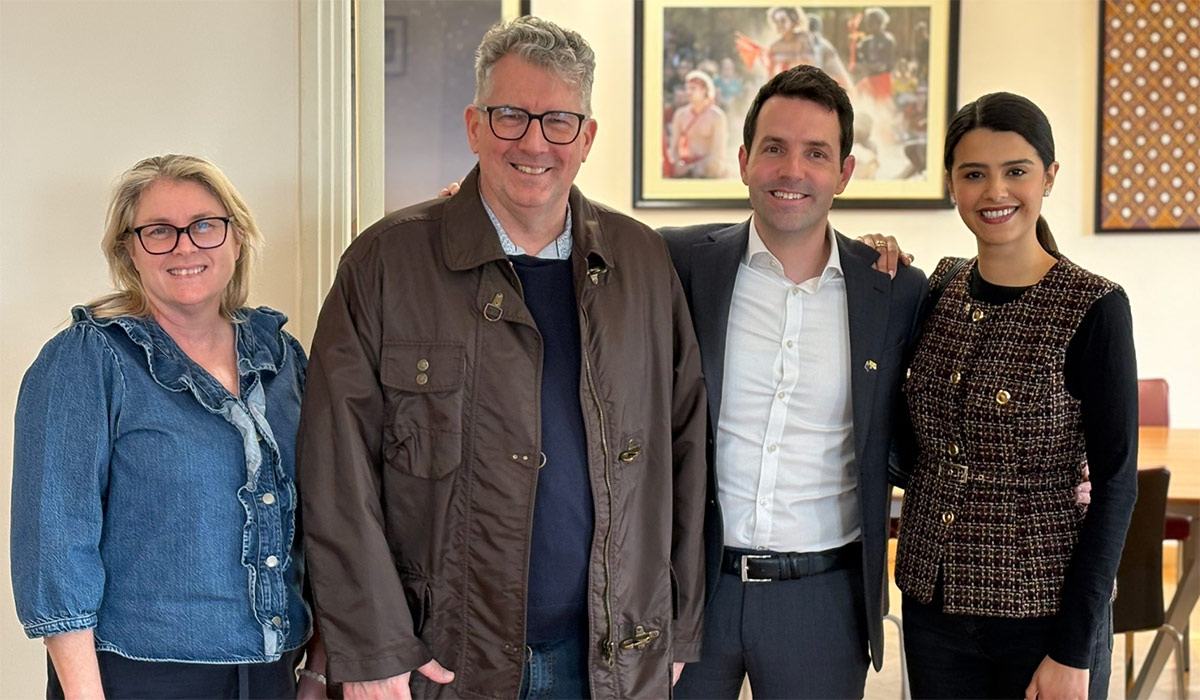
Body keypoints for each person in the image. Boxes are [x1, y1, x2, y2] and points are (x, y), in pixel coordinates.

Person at [296, 16, 708, 700]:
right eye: (511, 115)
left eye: (558, 121)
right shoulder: (384, 264)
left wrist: (679, 625)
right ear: (475, 124)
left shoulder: (642, 263)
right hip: (441, 659)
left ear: (587, 137)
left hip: (608, 656)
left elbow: (687, 452)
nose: (534, 142)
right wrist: (370, 649)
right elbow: (336, 472)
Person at [10, 154, 325, 699]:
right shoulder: (88, 360)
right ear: (128, 250)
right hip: (138, 677)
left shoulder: (282, 357)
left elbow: (329, 522)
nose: (185, 246)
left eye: (205, 225)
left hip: (277, 676)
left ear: (236, 238)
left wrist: (317, 672)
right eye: (159, 231)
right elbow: (54, 551)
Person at [662, 65, 927, 699]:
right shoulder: (677, 262)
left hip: (824, 601)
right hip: (692, 589)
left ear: (845, 172)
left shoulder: (895, 291)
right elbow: (579, 242)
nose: (792, 170)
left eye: (816, 153)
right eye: (775, 148)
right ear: (745, 159)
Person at [891, 92, 1138, 699]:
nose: (994, 192)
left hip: (1042, 615)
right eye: (974, 174)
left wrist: (1073, 650)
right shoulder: (941, 286)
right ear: (952, 184)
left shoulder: (1094, 307)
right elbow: (904, 431)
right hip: (933, 604)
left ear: (1049, 176)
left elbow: (1116, 483)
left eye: (1016, 171)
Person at [668, 69, 729, 178]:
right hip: (686, 164)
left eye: (693, 88)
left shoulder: (717, 116)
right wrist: (678, 163)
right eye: (687, 88)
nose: (688, 92)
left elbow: (718, 152)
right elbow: (673, 148)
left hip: (708, 166)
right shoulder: (680, 115)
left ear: (704, 90)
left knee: (713, 166)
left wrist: (696, 167)